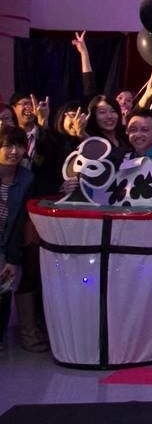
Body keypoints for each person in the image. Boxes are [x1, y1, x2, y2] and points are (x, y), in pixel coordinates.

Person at [0, 126, 36, 352]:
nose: (14, 151)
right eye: (7, 146)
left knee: (4, 288)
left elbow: (20, 222)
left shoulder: (26, 178)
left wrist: (12, 259)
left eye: (19, 146)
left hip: (7, 241)